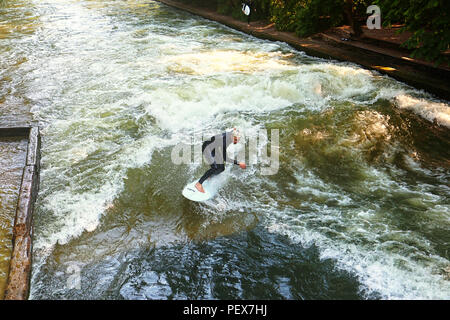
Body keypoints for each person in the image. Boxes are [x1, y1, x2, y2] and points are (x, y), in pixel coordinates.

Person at [195, 129, 246, 193]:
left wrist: (234, 130)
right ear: (232, 136)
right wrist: (239, 163)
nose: (236, 142)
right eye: (235, 140)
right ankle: (199, 184)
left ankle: (209, 176)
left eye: (238, 140)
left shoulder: (231, 135)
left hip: (214, 148)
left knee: (221, 168)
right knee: (215, 167)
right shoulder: (224, 141)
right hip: (207, 148)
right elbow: (225, 158)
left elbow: (233, 131)